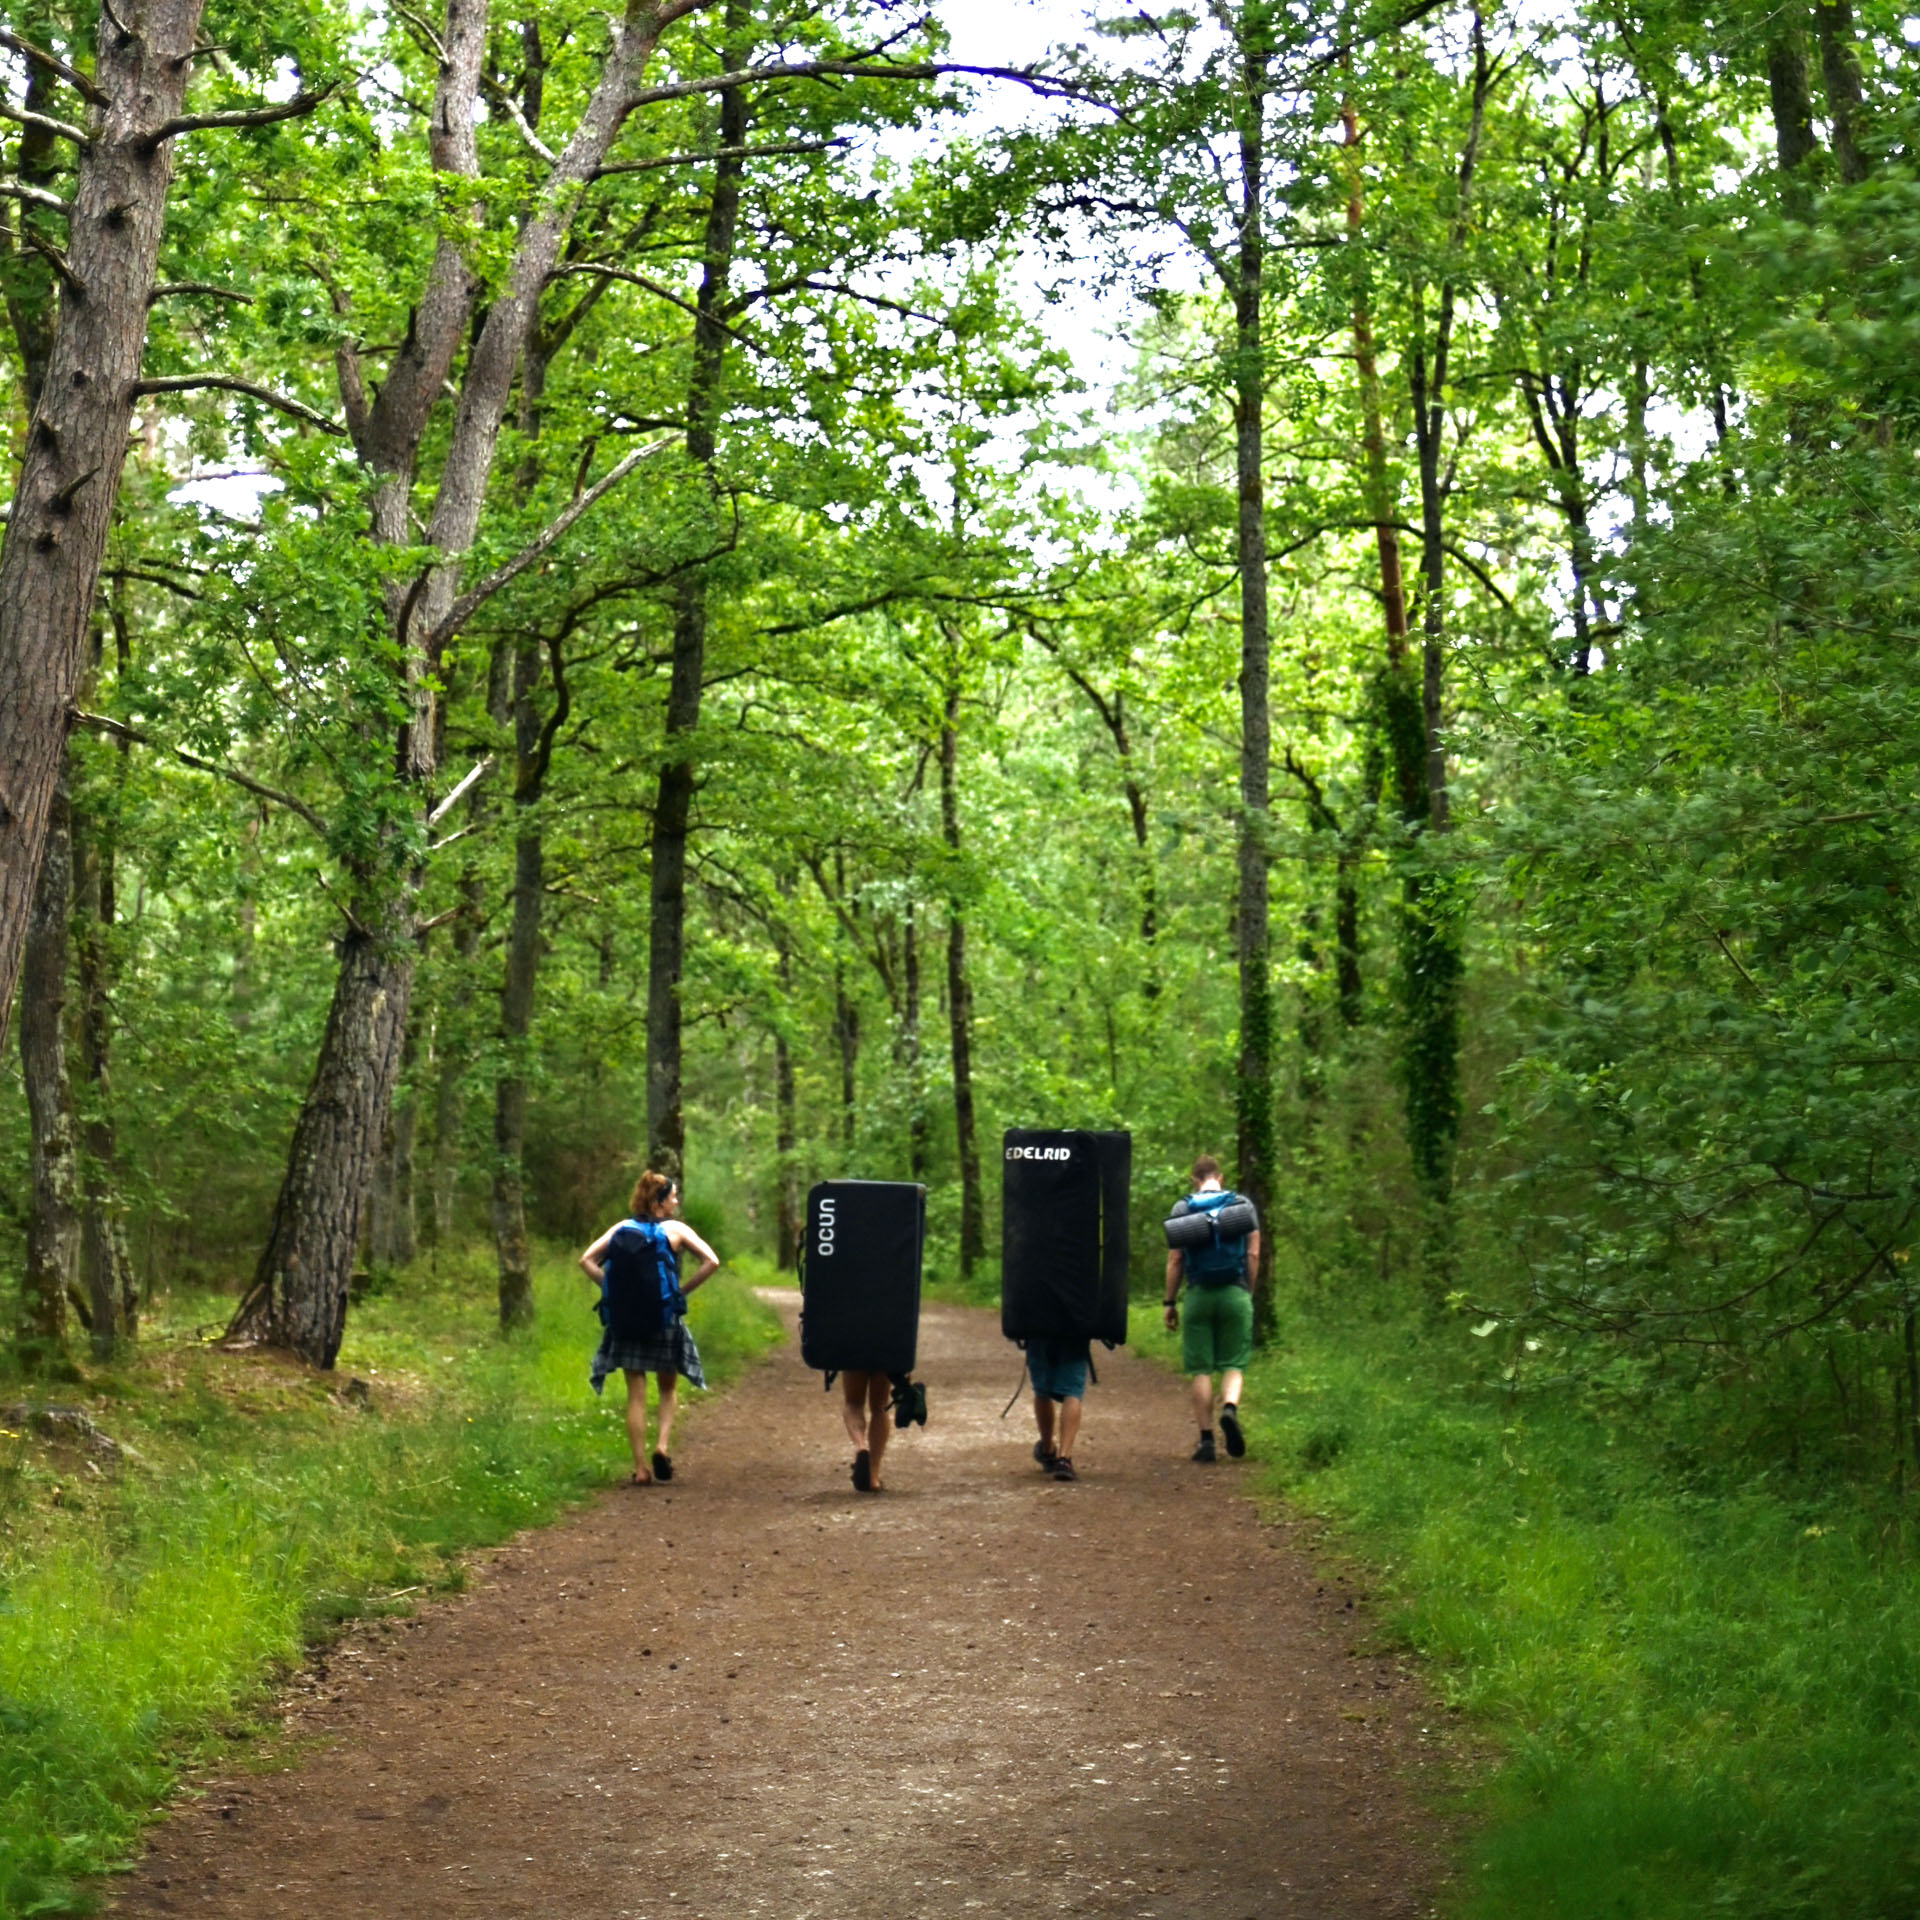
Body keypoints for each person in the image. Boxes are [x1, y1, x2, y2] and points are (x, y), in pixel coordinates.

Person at [580, 1170, 720, 1485]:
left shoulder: (621, 1229)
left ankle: (641, 1468)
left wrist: (612, 1291)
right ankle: (662, 1446)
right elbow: (712, 1261)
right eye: (672, 1196)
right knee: (668, 1388)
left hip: (627, 1321)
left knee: (636, 1394)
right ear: (659, 1200)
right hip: (664, 1319)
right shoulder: (676, 1230)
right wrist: (680, 1292)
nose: (676, 1200)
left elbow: (586, 1260)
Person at [1163, 1155, 1258, 1463]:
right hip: (1234, 1291)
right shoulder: (1241, 1206)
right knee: (1233, 1363)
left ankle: (1206, 1442)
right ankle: (1229, 1408)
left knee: (1200, 1368)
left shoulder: (1182, 1208)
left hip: (1199, 1295)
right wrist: (1248, 1291)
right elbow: (1254, 1254)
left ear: (1195, 1180)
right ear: (1221, 1176)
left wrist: (1169, 1302)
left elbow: (1176, 1260)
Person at [1028, 1338, 1089, 1482]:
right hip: (1075, 1330)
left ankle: (1047, 1448)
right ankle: (1064, 1458)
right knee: (1073, 1392)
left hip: (1039, 1330)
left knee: (1042, 1391)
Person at [839, 1371, 893, 1492]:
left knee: (853, 1404)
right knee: (879, 1407)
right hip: (885, 1353)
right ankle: (873, 1476)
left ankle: (861, 1447)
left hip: (854, 1353)